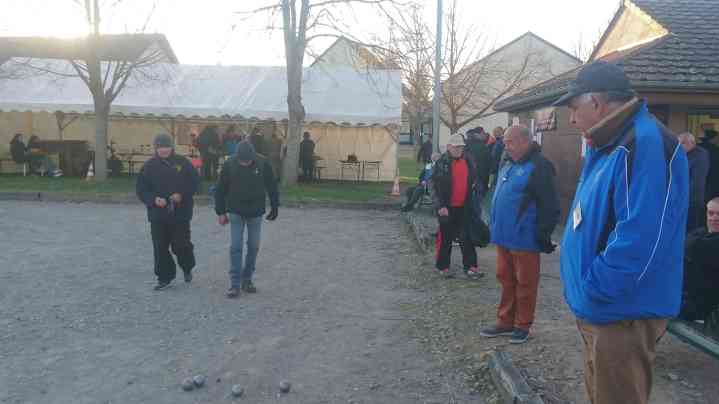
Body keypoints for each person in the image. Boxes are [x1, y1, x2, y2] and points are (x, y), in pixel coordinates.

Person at [556, 61, 688, 404]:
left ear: (596, 102)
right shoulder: (611, 142)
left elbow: (641, 236)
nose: (571, 119)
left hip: (621, 311)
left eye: (573, 108)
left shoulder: (643, 143)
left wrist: (596, 288)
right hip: (605, 308)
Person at [480, 124, 560, 344]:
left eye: (510, 142)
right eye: (504, 142)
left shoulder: (539, 166)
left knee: (525, 283)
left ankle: (522, 325)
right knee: (506, 280)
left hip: (525, 238)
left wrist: (542, 235)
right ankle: (505, 321)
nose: (505, 146)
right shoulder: (507, 163)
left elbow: (550, 205)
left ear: (525, 142)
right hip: (503, 236)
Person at [214, 141, 279, 299]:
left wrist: (275, 207)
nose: (245, 163)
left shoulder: (263, 163)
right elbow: (220, 189)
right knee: (236, 246)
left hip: (255, 212)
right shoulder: (229, 164)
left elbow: (272, 185)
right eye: (242, 161)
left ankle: (247, 279)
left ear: (253, 156)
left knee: (253, 246)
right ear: (237, 157)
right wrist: (221, 212)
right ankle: (235, 284)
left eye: (248, 161)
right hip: (235, 211)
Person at [136, 133, 200, 291]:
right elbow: (141, 190)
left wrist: (181, 194)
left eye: (166, 147)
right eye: (160, 147)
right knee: (160, 247)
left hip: (180, 213)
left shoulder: (183, 162)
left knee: (181, 245)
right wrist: (153, 199)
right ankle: (164, 277)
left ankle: (187, 267)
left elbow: (195, 183)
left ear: (172, 147)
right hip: (158, 214)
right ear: (155, 148)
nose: (163, 150)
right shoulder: (149, 166)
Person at [432, 133, 482, 279]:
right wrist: (440, 205)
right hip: (446, 208)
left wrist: (476, 190)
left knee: (467, 238)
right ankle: (443, 267)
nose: (458, 149)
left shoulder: (469, 160)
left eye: (460, 146)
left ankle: (471, 267)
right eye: (455, 147)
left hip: (465, 207)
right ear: (449, 147)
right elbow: (433, 186)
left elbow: (475, 179)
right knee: (446, 239)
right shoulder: (441, 163)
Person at [679, 197, 719, 321]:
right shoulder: (699, 233)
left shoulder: (700, 240)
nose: (714, 218)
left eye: (718, 214)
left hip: (701, 307)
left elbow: (697, 247)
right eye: (711, 213)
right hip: (683, 296)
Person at [679, 132, 710, 231]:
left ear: (691, 143)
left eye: (682, 143)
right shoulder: (687, 154)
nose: (679, 146)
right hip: (686, 198)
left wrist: (685, 199)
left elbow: (697, 182)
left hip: (692, 200)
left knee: (691, 228)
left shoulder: (700, 155)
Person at [465, 127, 492, 193]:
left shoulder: (467, 144)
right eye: (483, 133)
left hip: (470, 177)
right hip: (481, 177)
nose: (484, 135)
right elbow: (489, 161)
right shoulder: (481, 146)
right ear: (476, 134)